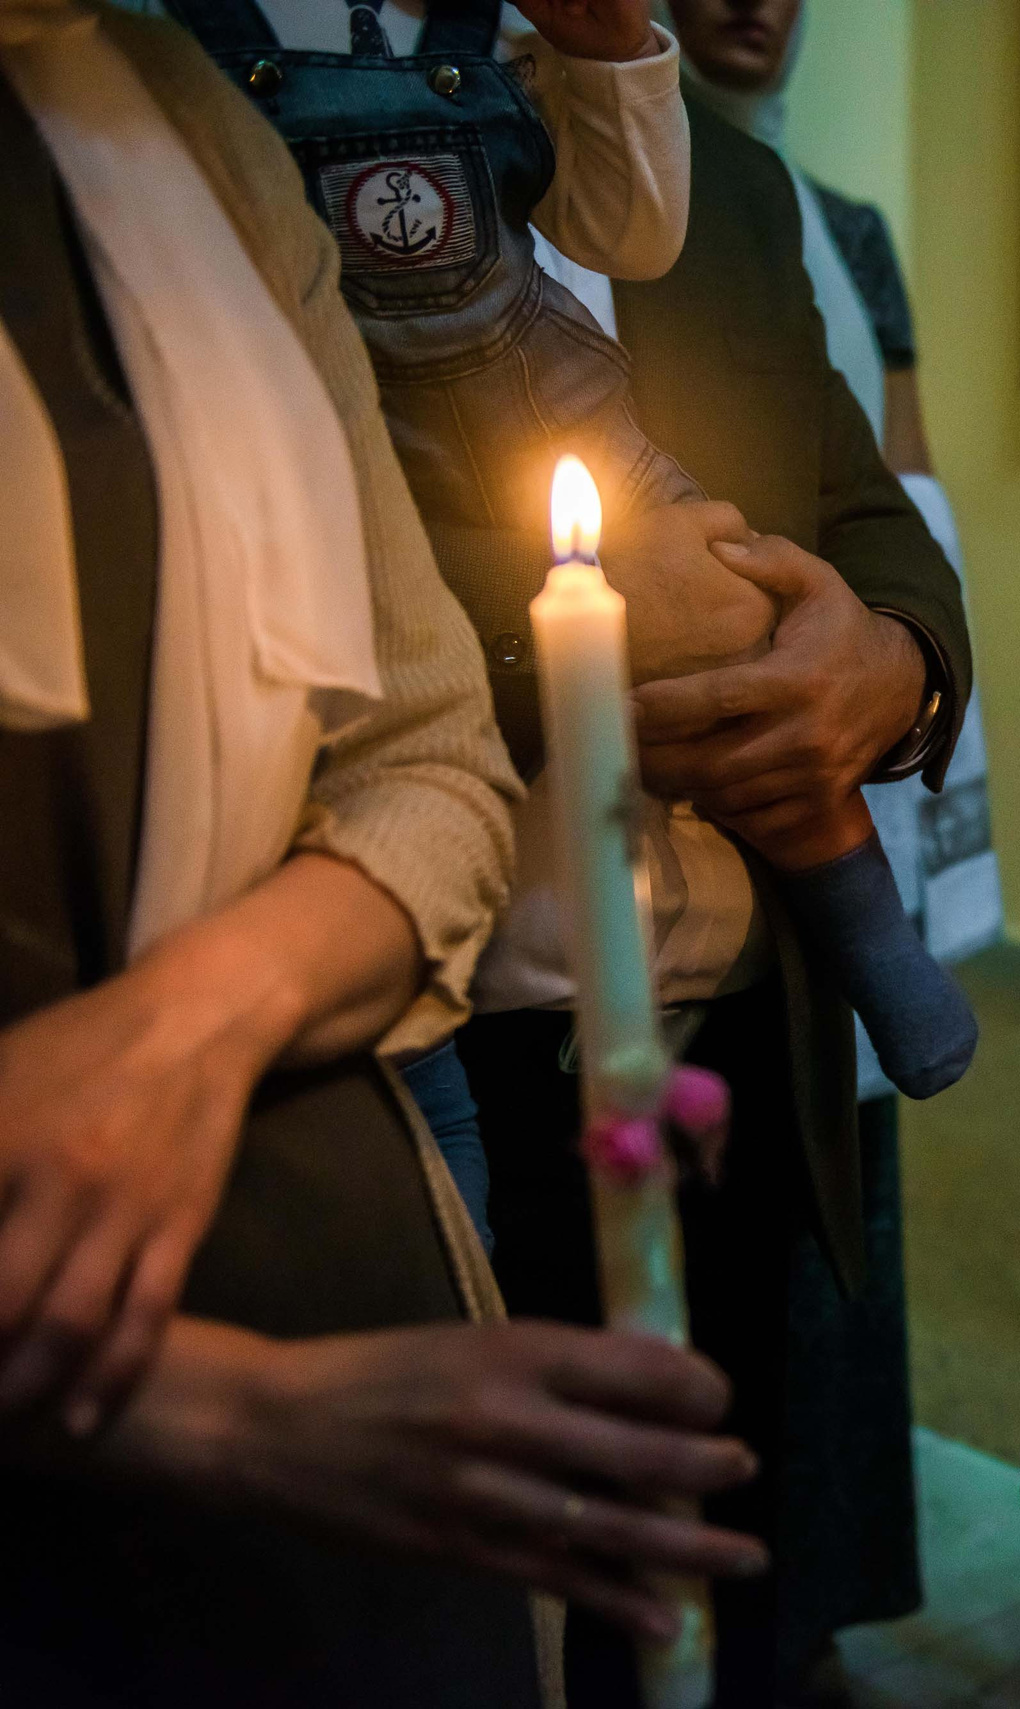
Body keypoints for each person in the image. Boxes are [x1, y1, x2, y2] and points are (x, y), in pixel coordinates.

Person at [0, 6, 764, 1699]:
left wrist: (177, 1033)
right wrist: (217, 1411)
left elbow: (424, 758)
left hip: (356, 1290)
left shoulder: (172, 113)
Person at [460, 84, 978, 1707]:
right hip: (464, 1030)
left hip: (744, 1018)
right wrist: (570, 650)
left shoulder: (730, 188)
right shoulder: (330, 141)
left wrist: (890, 668)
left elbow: (877, 523)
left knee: (722, 1540)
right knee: (506, 1597)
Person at [667, 0, 1007, 1636]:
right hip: (683, 727)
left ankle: (820, 1583)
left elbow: (901, 486)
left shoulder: (841, 228)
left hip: (833, 691)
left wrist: (883, 652)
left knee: (835, 1178)